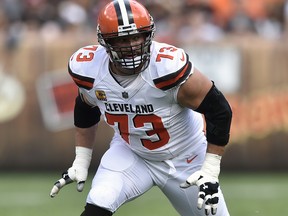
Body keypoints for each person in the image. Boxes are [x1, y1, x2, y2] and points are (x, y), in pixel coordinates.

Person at [50, 0, 232, 215]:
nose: (131, 46)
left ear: (149, 35)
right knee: (98, 202)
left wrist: (210, 169)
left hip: (187, 157)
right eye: (122, 40)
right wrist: (81, 160)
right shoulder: (90, 69)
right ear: (105, 42)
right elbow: (86, 105)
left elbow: (220, 110)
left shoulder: (167, 68)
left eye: (137, 36)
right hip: (132, 152)